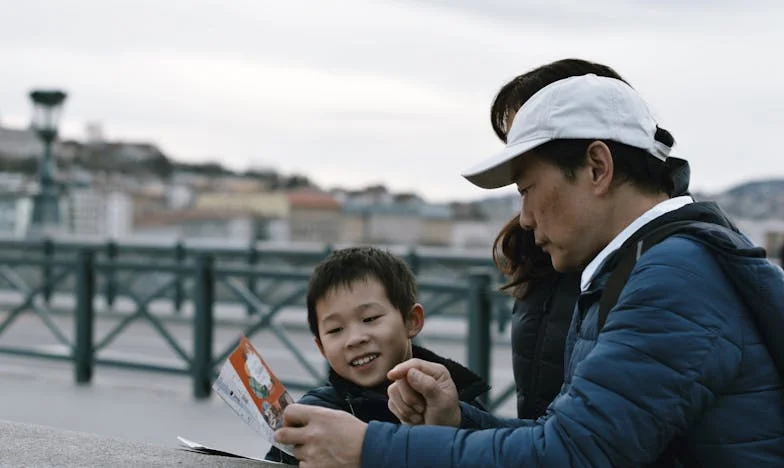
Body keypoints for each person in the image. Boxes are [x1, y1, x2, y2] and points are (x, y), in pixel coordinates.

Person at [275, 61, 784, 467]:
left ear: (597, 168)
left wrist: (369, 449)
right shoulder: (647, 264)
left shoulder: (672, 277)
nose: (524, 216)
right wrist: (457, 423)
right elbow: (573, 439)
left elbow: (572, 455)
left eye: (527, 190)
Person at [490, 59, 693, 421]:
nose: (525, 214)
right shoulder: (546, 248)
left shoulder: (664, 271)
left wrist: (379, 443)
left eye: (531, 138)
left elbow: (576, 448)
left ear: (597, 166)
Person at [265, 246, 489, 464]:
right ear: (322, 347)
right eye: (335, 330)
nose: (355, 339)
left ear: (412, 320)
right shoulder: (314, 413)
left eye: (370, 318)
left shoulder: (455, 404)